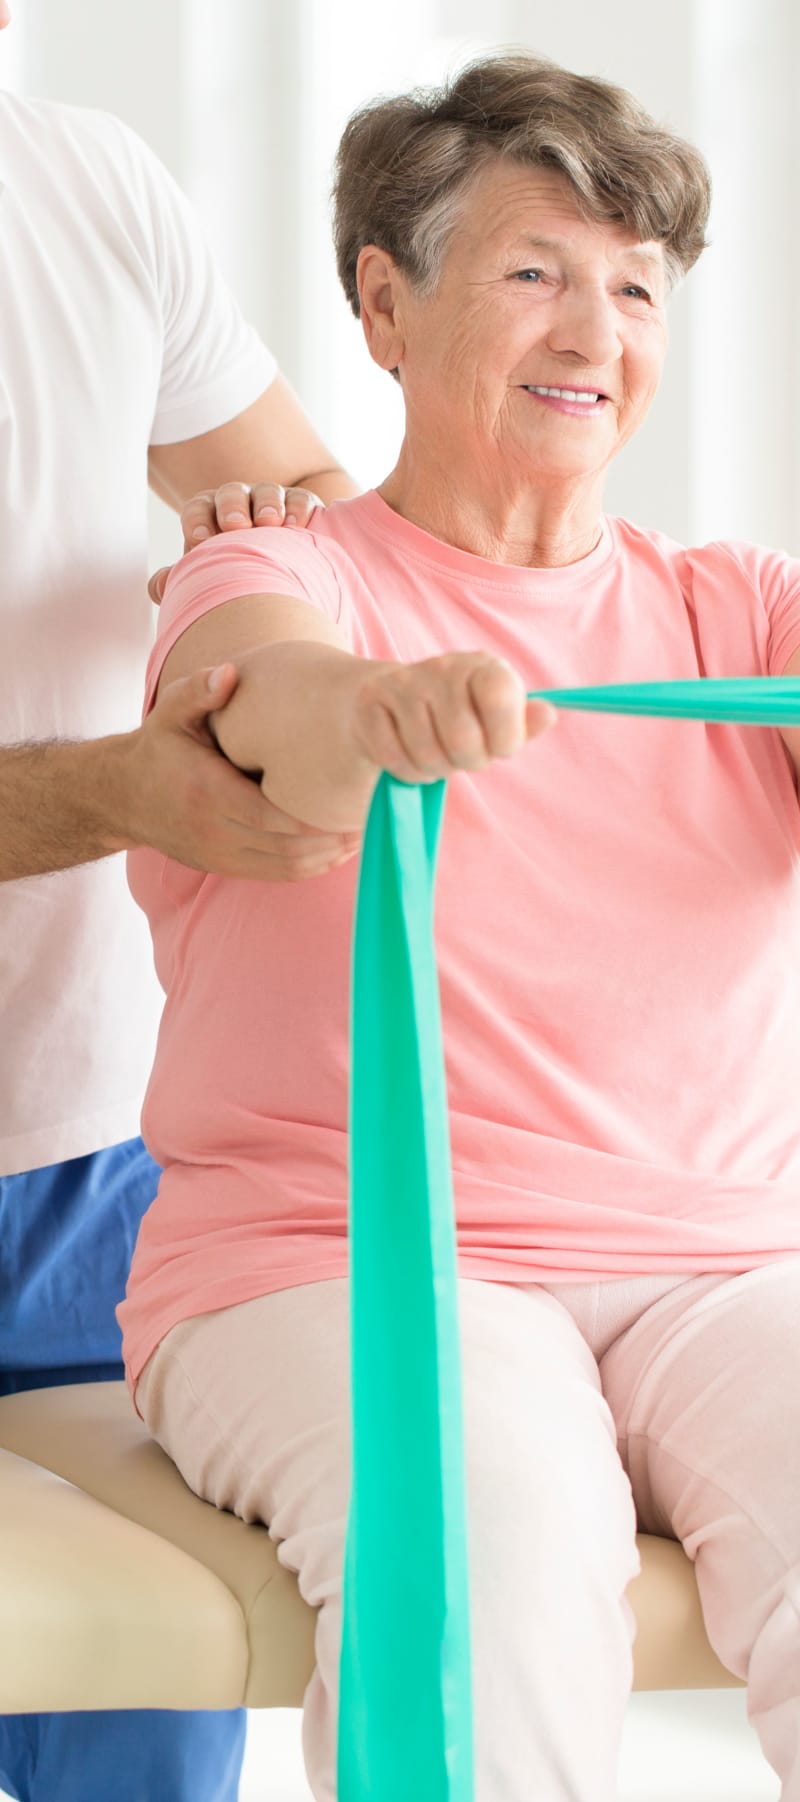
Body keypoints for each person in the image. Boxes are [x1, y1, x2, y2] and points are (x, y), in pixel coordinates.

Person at [119, 52, 800, 1802]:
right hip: (341, 1253)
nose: (596, 330)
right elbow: (246, 711)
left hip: (724, 1265)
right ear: (382, 303)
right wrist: (372, 714)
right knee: (492, 1544)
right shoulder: (283, 570)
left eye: (635, 286)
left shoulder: (735, 609)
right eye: (533, 272)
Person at [0, 1, 358, 1796]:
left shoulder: (85, 185)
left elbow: (311, 505)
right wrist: (121, 794)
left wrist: (266, 601)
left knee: (139, 1734)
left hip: (93, 1161)